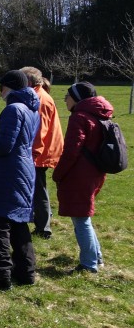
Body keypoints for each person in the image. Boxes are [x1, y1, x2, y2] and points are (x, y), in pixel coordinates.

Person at [0, 70, 40, 290]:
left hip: (8, 172)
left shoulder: (13, 109)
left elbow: (4, 145)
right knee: (18, 223)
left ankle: (1, 275)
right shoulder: (32, 109)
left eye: (1, 88)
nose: (0, 93)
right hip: (24, 169)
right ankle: (26, 272)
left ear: (10, 87)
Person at [52, 82, 114, 273]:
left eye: (68, 96)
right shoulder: (100, 114)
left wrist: (58, 173)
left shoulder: (79, 117)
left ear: (77, 98)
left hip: (80, 174)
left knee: (81, 219)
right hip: (95, 171)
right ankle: (96, 257)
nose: (65, 100)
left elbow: (71, 151)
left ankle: (89, 264)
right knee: (83, 217)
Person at [20, 66, 63, 239]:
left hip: (40, 152)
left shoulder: (40, 99)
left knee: (38, 188)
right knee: (36, 187)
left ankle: (44, 228)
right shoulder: (37, 95)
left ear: (29, 81)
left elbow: (40, 131)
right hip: (41, 151)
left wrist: (33, 155)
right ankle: (42, 218)